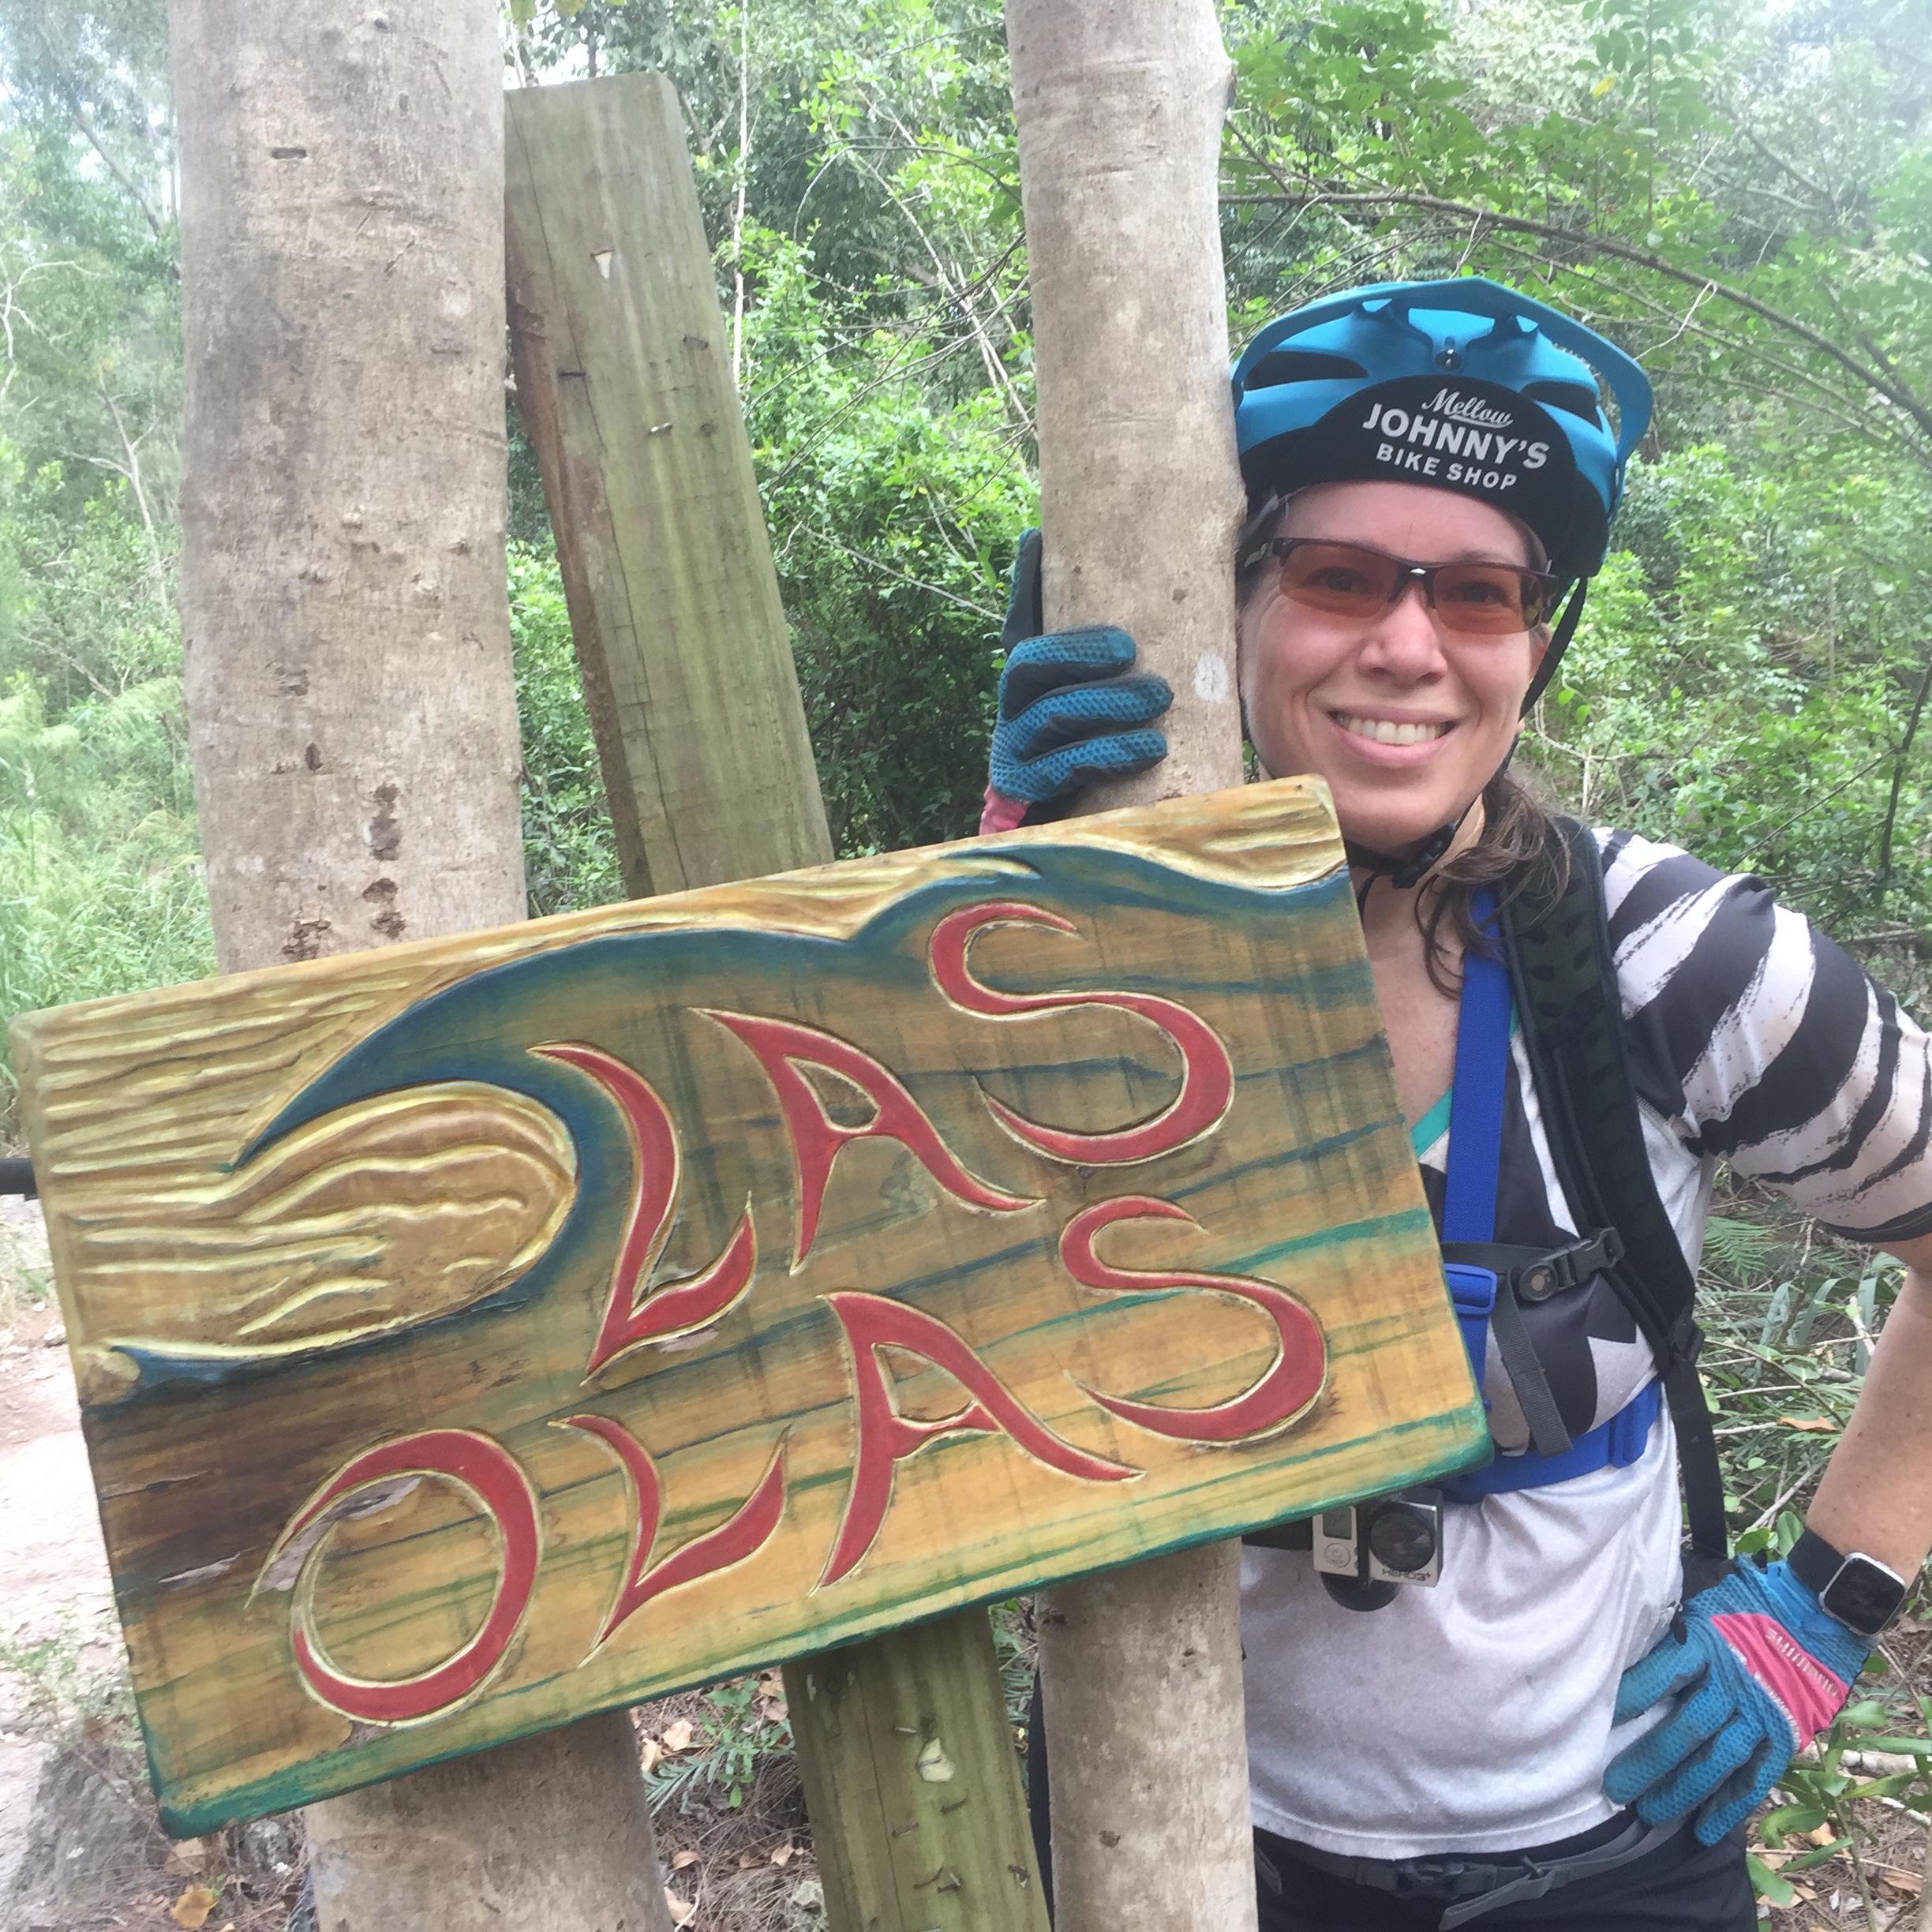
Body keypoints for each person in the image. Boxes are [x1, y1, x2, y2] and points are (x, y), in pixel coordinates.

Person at [983, 276, 1932, 1930]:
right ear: (1240, 602)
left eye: (1480, 596)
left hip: (1599, 1860)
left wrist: (1831, 1602)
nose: (1406, 646)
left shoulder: (1671, 962)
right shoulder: (1067, 943)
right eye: (1338, 576)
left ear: (1537, 643)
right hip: (1160, 1833)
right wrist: (993, 897)